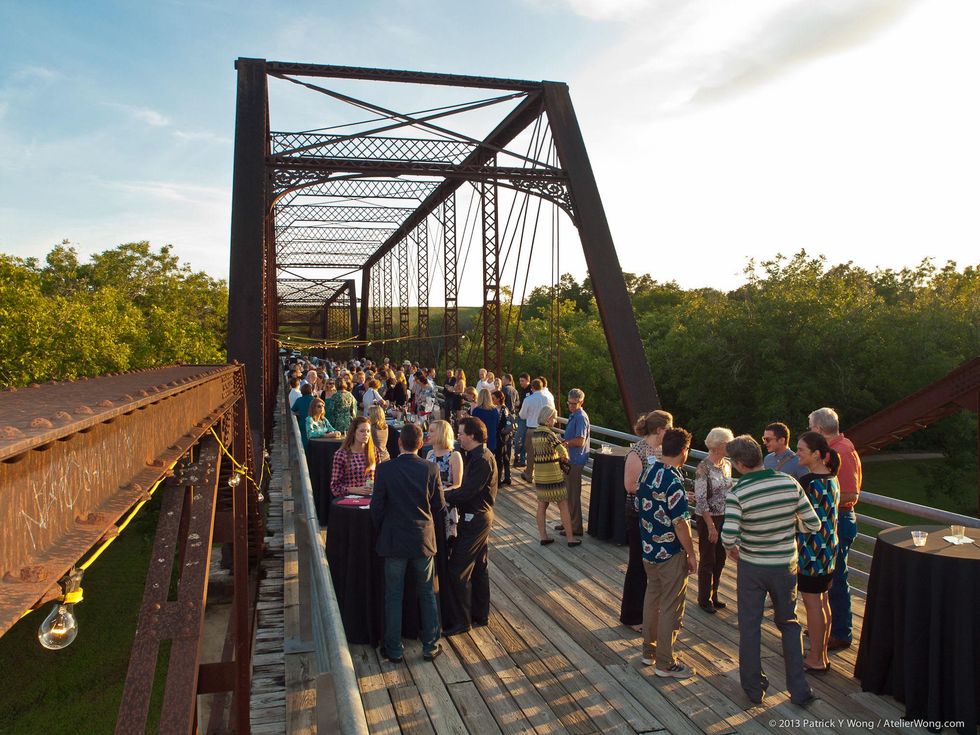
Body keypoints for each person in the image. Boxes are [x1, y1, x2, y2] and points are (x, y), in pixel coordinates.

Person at [721, 435, 821, 707]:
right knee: (789, 624)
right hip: (785, 566)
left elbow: (728, 536)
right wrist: (787, 527)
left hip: (752, 567)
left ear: (739, 464)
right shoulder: (789, 482)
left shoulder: (738, 493)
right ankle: (799, 690)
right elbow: (813, 524)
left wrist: (733, 547)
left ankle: (754, 690)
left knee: (750, 627)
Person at [371, 423, 447, 663]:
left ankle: (394, 648)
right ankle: (430, 645)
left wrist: (382, 529)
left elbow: (376, 507)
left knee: (394, 595)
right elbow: (439, 506)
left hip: (394, 539)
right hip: (422, 539)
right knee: (426, 593)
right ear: (421, 444)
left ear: (399, 443)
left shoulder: (385, 469)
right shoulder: (431, 468)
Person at [637, 428, 697, 678]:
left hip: (649, 549)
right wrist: (691, 553)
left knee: (652, 600)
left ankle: (648, 651)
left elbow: (643, 504)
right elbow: (680, 524)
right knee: (671, 606)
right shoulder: (673, 481)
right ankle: (665, 662)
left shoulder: (649, 470)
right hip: (670, 552)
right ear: (684, 451)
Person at [808, 407, 862, 652]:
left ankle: (841, 633)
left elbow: (850, 494)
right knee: (827, 577)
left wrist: (822, 500)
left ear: (819, 429)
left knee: (836, 578)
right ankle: (825, 626)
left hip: (839, 520)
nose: (809, 431)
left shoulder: (842, 451)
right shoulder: (834, 448)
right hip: (830, 520)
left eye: (811, 427)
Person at [443, 417, 497, 635]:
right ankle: (480, 614)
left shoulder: (482, 460)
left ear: (472, 436)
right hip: (478, 516)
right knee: (479, 567)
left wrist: (442, 496)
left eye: (461, 433)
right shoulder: (479, 456)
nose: (458, 437)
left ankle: (461, 621)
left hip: (475, 518)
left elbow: (467, 492)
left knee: (458, 569)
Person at [620, 410, 673, 632]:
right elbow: (630, 485)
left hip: (657, 515)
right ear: (659, 429)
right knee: (638, 564)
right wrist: (659, 489)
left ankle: (649, 610)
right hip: (639, 514)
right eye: (669, 428)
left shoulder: (662, 451)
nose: (671, 432)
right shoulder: (637, 452)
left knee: (654, 565)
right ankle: (632, 616)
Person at [795, 430, 841, 673]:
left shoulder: (808, 482)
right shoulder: (833, 478)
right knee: (823, 602)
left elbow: (797, 516)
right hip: (828, 550)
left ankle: (816, 658)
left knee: (812, 604)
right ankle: (821, 653)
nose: (797, 454)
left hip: (810, 552)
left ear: (816, 454)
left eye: (801, 450)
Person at [693, 427, 735, 613]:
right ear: (719, 445)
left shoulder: (726, 464)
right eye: (728, 444)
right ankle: (704, 599)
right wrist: (711, 526)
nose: (731, 447)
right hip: (707, 518)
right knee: (708, 558)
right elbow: (701, 500)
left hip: (723, 516)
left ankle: (714, 594)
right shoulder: (703, 467)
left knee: (720, 558)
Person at [532, 407, 578, 546]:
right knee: (563, 505)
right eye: (554, 418)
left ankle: (543, 537)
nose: (555, 421)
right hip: (553, 475)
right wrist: (564, 457)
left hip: (540, 475)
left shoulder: (535, 433)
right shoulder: (549, 434)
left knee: (542, 506)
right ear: (548, 419)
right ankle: (570, 538)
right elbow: (562, 451)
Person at [558, 389, 590, 537]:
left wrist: (565, 443)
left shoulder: (580, 417)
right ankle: (567, 521)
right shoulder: (574, 415)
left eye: (573, 403)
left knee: (572, 494)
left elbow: (580, 441)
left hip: (575, 460)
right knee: (567, 493)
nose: (570, 406)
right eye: (569, 403)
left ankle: (575, 526)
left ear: (581, 402)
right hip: (570, 459)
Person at [331, 417, 377, 497]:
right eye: (362, 431)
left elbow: (379, 477)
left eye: (368, 431)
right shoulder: (341, 455)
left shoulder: (374, 452)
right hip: (350, 499)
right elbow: (335, 487)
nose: (366, 434)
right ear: (353, 433)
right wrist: (355, 490)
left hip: (371, 498)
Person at [519, 379, 554, 483]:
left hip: (532, 429)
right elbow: (553, 411)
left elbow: (522, 415)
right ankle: (544, 477)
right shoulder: (548, 398)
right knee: (544, 454)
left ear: (532, 388)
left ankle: (529, 474)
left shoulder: (528, 399)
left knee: (531, 453)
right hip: (546, 429)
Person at [425, 420, 463, 491]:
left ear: (441, 434)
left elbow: (457, 485)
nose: (428, 434)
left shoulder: (454, 456)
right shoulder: (430, 453)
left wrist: (441, 493)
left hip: (447, 495)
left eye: (431, 431)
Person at [491, 390, 514, 486]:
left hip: (501, 437)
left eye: (493, 398)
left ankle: (498, 480)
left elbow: (503, 423)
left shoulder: (503, 410)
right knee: (505, 457)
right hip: (502, 436)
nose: (492, 400)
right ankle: (507, 477)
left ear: (499, 399)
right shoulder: (499, 409)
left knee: (499, 458)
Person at [470, 389, 499, 453]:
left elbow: (473, 426)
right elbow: (497, 424)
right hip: (491, 440)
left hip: (479, 441)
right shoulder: (494, 410)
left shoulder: (476, 411)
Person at [513, 373, 531, 468]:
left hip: (528, 418)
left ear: (528, 381)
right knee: (518, 438)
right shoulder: (522, 390)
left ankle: (522, 459)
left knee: (523, 439)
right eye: (520, 381)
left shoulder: (531, 390)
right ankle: (517, 455)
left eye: (522, 381)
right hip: (521, 416)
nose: (521, 383)